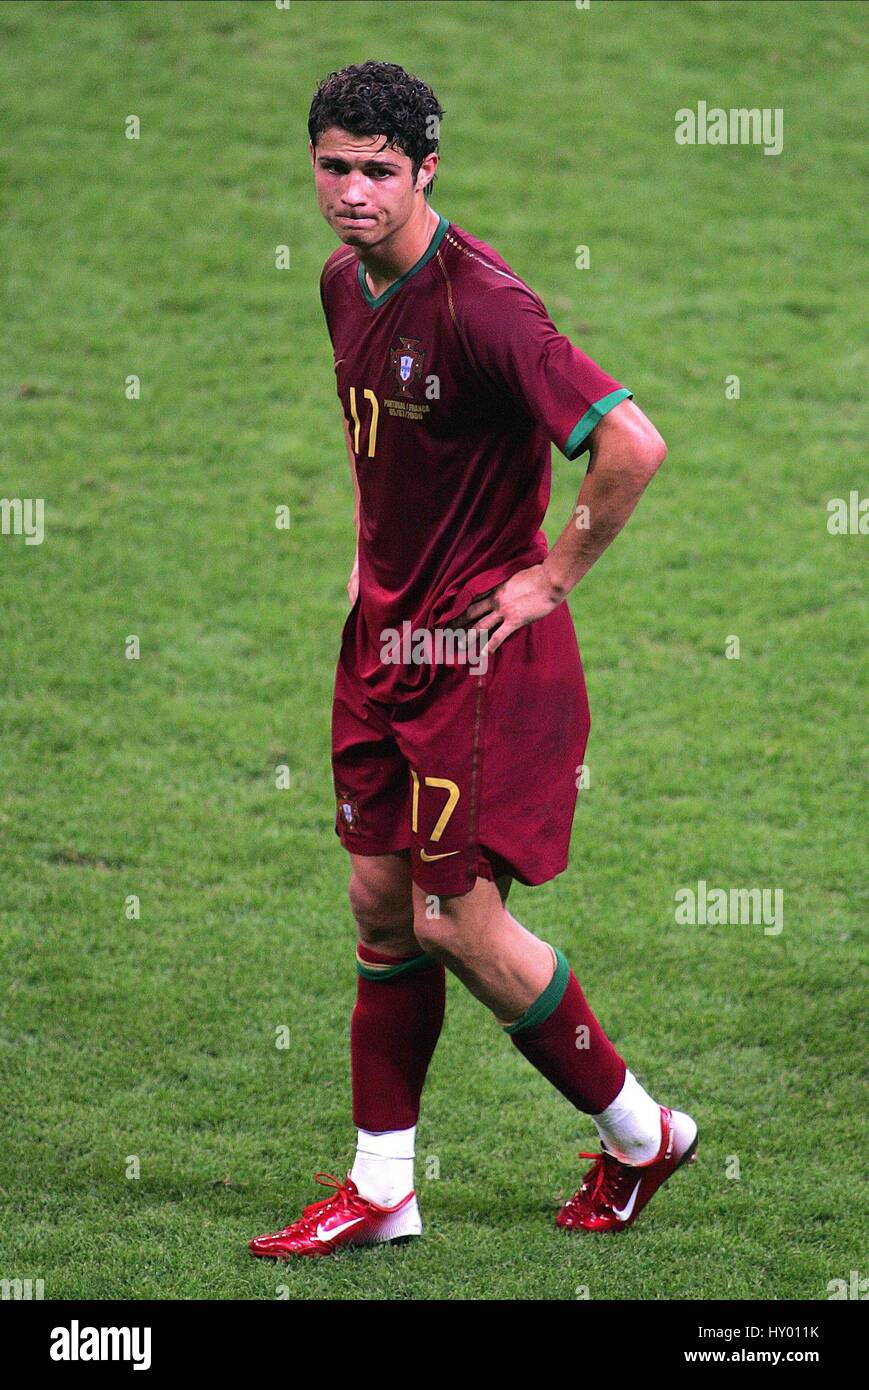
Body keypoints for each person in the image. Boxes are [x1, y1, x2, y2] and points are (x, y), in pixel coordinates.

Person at [249, 60, 697, 1260]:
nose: (350, 192)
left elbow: (630, 447)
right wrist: (363, 554)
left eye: (376, 172)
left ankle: (642, 1131)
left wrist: (551, 577)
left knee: (454, 921)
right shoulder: (345, 286)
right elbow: (373, 447)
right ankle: (384, 1188)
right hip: (383, 643)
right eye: (332, 167)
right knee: (379, 902)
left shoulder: (486, 306)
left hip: (478, 662)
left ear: (425, 170)